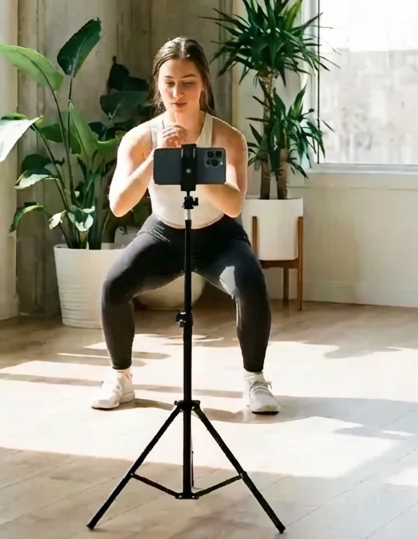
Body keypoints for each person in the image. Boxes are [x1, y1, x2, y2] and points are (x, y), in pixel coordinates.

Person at [92, 36, 279, 415]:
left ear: (204, 84)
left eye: (188, 82)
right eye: (169, 83)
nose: (178, 93)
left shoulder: (227, 138)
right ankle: (120, 377)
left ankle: (255, 379)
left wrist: (191, 162)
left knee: (250, 282)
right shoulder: (139, 139)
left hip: (218, 235)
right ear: (158, 86)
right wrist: (157, 158)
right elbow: (119, 204)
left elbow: (233, 204)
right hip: (163, 233)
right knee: (114, 285)